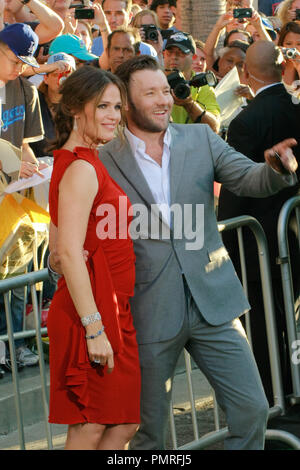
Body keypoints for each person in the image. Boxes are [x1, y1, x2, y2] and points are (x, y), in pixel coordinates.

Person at [61, 54, 298, 450]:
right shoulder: (101, 158)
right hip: (145, 310)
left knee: (252, 408)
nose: (163, 100)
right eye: (149, 93)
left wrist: (274, 168)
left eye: (166, 91)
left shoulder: (200, 138)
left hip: (214, 300)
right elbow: (75, 233)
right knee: (148, 433)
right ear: (126, 101)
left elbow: (248, 178)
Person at [47, 65, 141, 450]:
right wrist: (93, 327)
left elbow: (58, 252)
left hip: (110, 305)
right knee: (91, 425)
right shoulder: (82, 168)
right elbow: (66, 252)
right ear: (74, 108)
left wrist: (67, 258)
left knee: (121, 424)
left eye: (117, 107)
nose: (113, 116)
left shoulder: (80, 161)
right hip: (93, 312)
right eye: (102, 106)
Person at [217, 40, 300, 407]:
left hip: (256, 239)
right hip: (291, 230)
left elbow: (238, 186)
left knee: (264, 322)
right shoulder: (295, 108)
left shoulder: (246, 121)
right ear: (283, 66)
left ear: (247, 74)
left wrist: (224, 238)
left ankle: (273, 395)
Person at [163, 32, 220, 132]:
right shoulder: (154, 82)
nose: (174, 57)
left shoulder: (203, 87)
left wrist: (189, 104)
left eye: (180, 53)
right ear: (164, 54)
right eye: (169, 53)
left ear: (193, 57)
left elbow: (214, 128)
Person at [30, 52, 76, 158]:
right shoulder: (33, 100)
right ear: (46, 78)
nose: (61, 79)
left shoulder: (79, 105)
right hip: (40, 166)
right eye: (56, 74)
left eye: (67, 75)